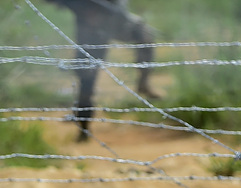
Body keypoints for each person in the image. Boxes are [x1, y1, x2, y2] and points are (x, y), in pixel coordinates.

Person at [44, 0, 160, 140]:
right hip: (91, 31)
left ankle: (143, 83)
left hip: (116, 20)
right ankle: (83, 129)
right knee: (87, 78)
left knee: (144, 36)